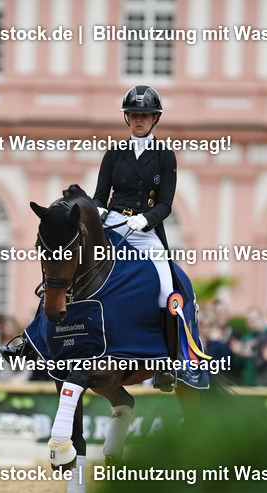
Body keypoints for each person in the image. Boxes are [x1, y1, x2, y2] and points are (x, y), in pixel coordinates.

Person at [91, 85, 180, 391]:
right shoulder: (114, 154)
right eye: (134, 115)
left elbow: (166, 203)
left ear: (154, 119)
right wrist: (100, 213)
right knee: (71, 269)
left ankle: (167, 364)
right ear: (127, 118)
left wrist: (147, 219)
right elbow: (100, 196)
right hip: (113, 225)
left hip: (145, 231)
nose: (139, 120)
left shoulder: (165, 156)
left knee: (166, 292)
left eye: (145, 115)